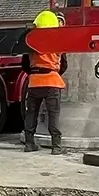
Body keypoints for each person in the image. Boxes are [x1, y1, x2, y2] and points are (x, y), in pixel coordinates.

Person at [21, 9, 66, 153]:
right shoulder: (59, 40)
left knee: (31, 113)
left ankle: (29, 144)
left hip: (34, 82)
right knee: (54, 115)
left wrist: (34, 73)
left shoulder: (30, 42)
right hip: (52, 82)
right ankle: (56, 147)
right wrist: (53, 72)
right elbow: (64, 65)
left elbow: (24, 64)